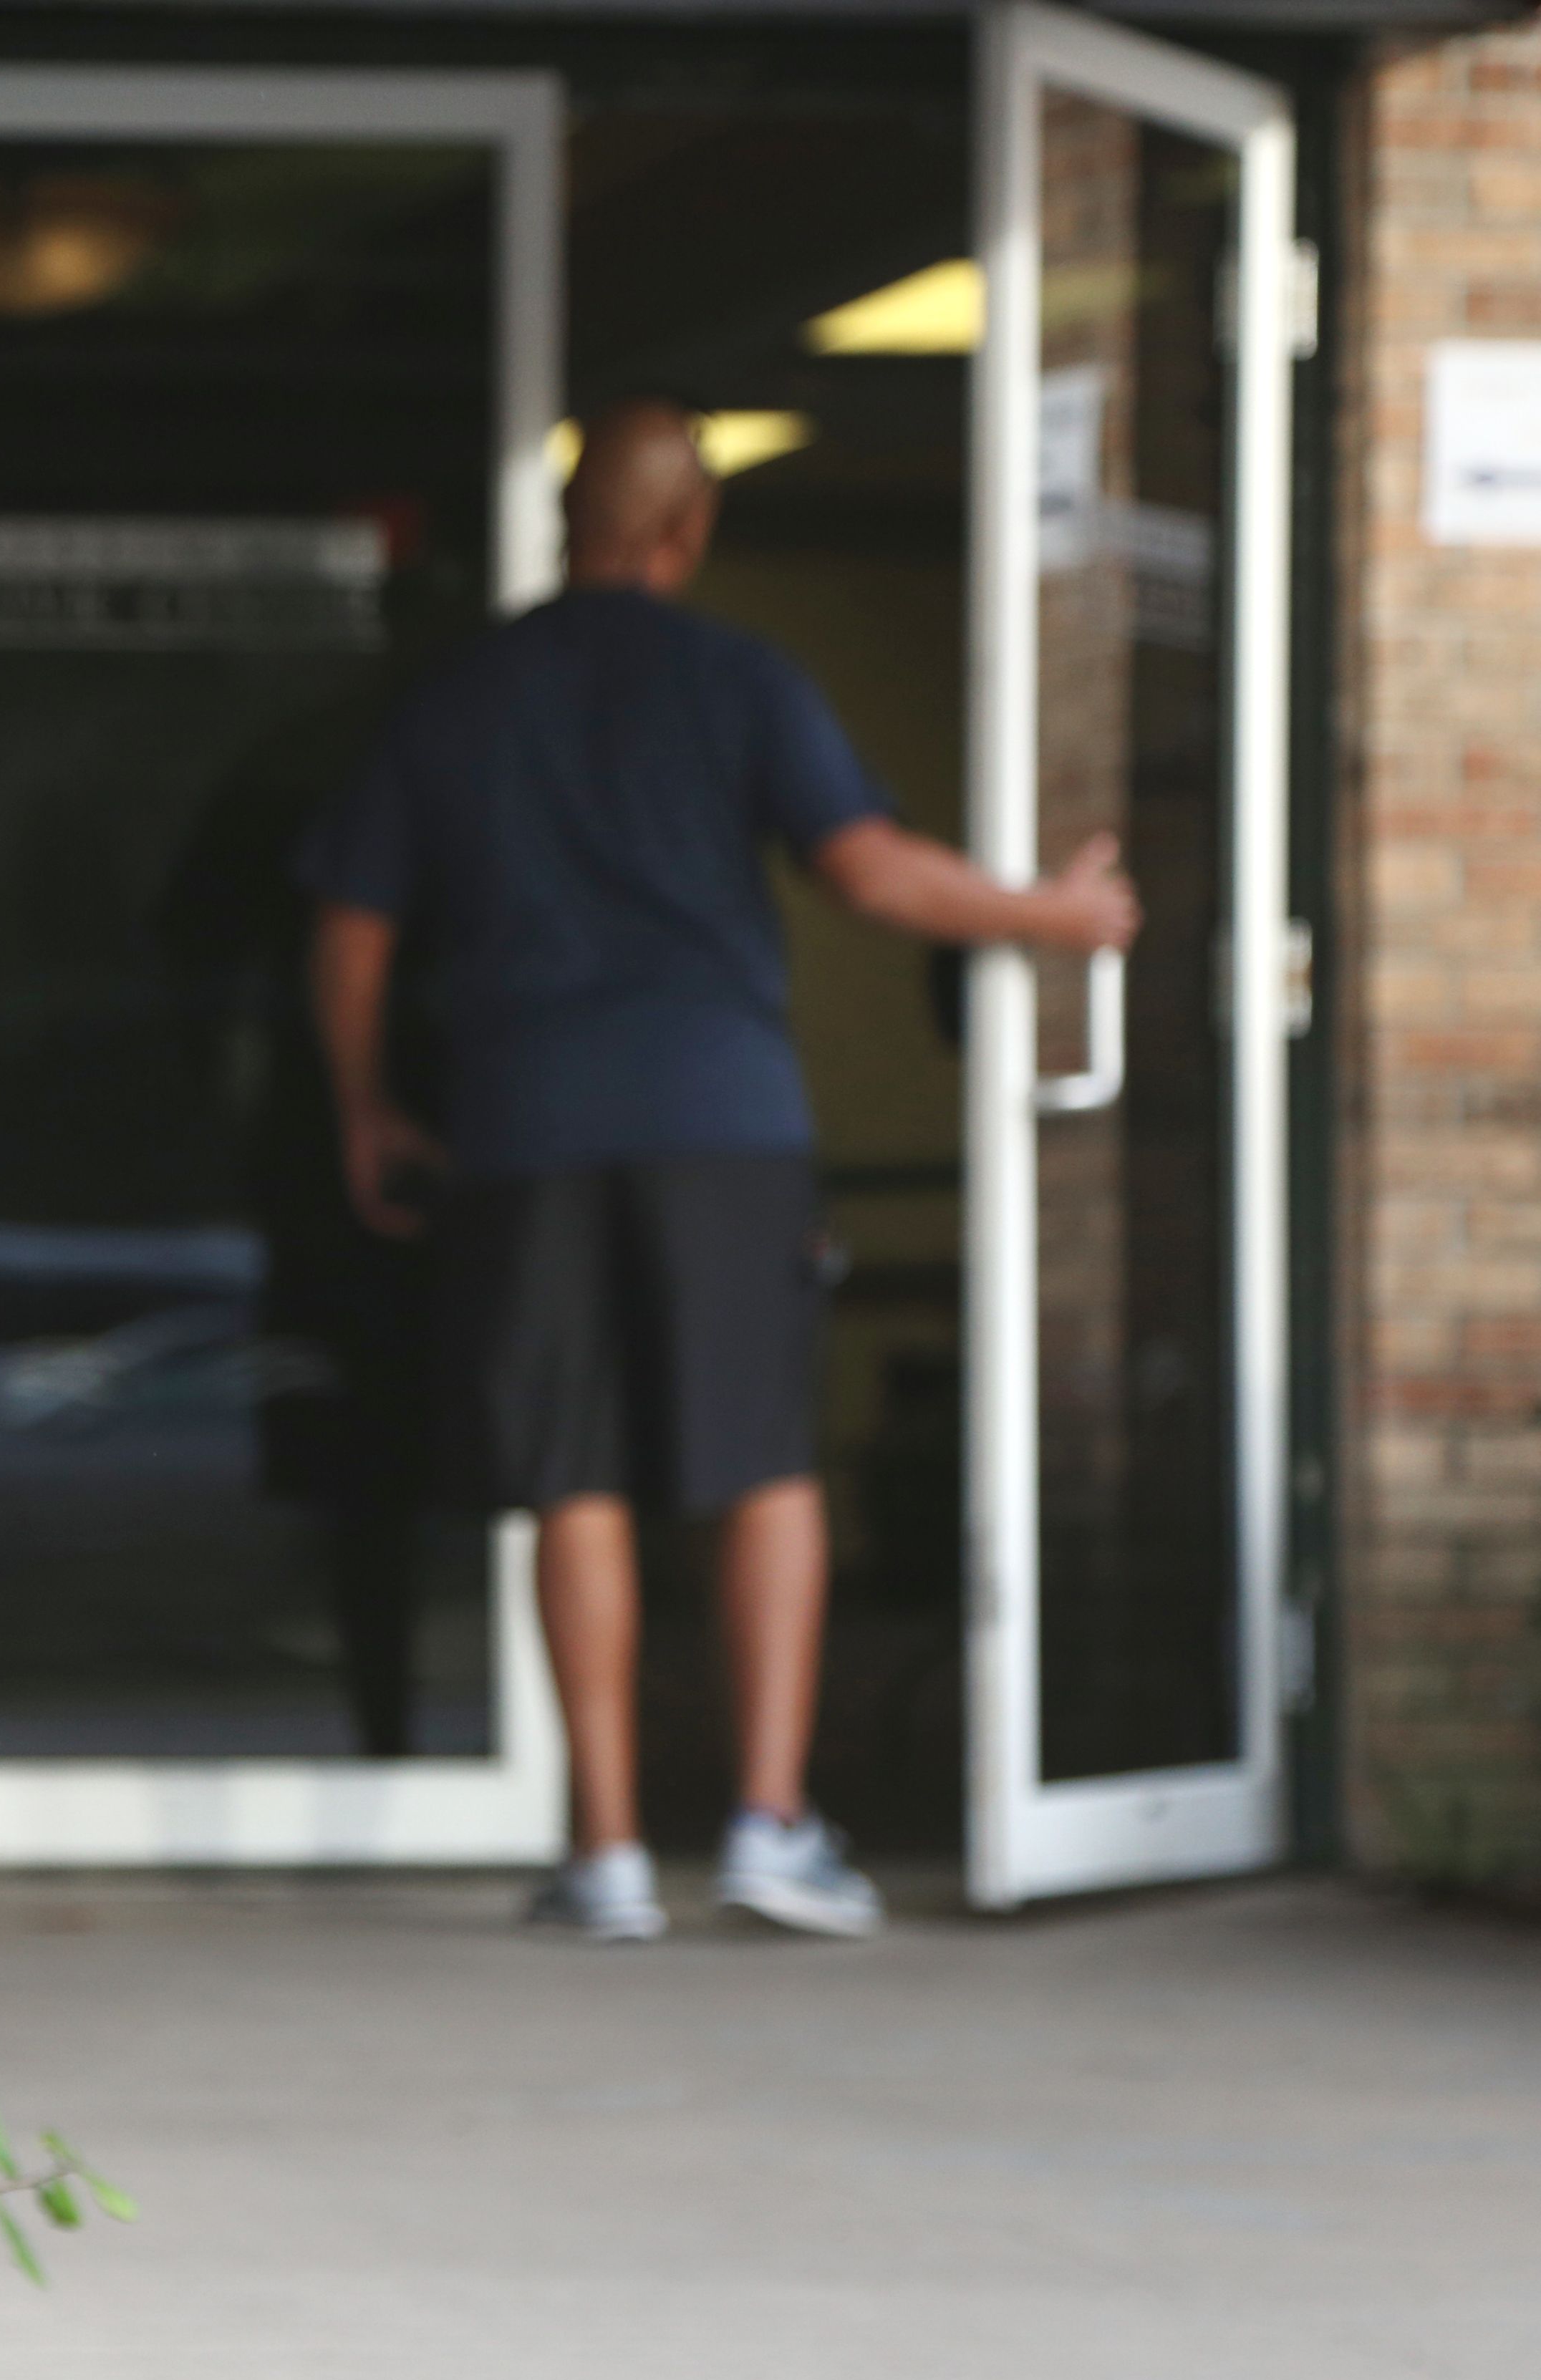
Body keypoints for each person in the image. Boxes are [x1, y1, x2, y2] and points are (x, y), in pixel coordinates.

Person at [295, 397, 1140, 1940]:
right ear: (686, 532)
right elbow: (870, 870)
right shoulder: (738, 679)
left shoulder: (460, 694)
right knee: (758, 1464)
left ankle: (607, 1852)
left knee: (574, 1475)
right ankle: (764, 1824)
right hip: (718, 1121)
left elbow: (349, 927)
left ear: (569, 521)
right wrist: (1050, 914)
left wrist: (364, 1107)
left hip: (523, 1124)